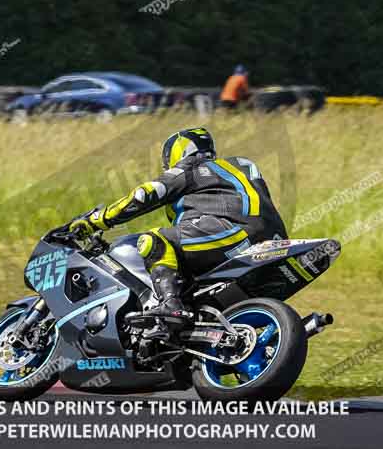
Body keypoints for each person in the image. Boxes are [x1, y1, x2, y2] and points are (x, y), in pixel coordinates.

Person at [69, 127, 287, 326]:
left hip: (234, 232)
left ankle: (170, 305)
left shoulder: (192, 167)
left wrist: (97, 220)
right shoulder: (238, 167)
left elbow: (145, 195)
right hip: (273, 238)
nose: (166, 166)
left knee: (155, 241)